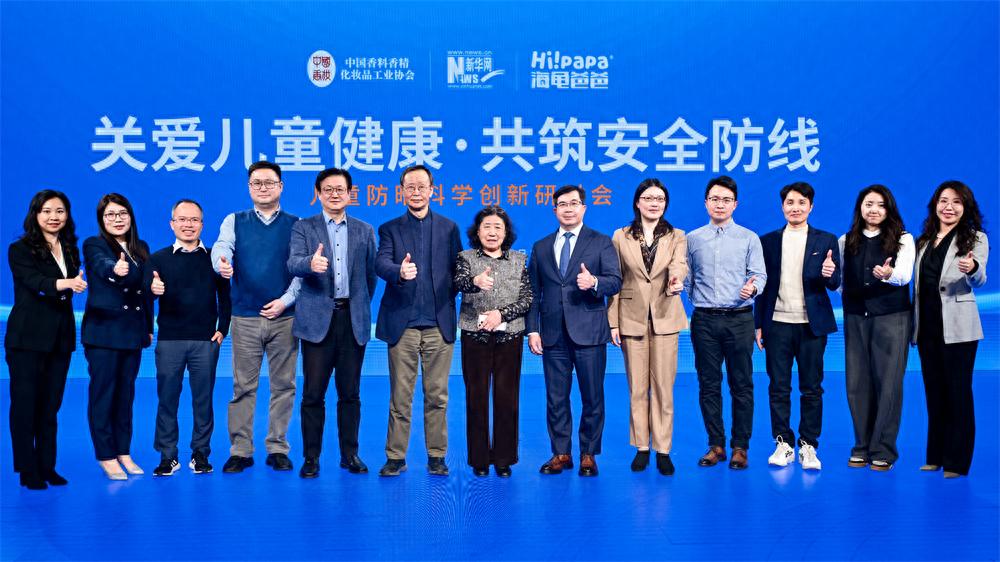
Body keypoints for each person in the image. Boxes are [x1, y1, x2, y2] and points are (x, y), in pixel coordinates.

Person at [211, 160, 301, 473]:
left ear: (281, 186)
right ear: (249, 187)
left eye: (269, 182)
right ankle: (240, 450)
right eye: (256, 183)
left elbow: (301, 270)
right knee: (242, 387)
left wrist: (285, 302)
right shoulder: (235, 220)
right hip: (245, 317)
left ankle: (277, 447)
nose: (263, 188)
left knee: (284, 386)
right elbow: (222, 247)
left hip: (285, 317)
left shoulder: (296, 224)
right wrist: (221, 263)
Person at [287, 168, 377, 478]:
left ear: (350, 194)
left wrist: (357, 306)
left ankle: (350, 455)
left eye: (340, 189)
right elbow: (293, 263)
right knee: (313, 394)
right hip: (316, 322)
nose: (334, 194)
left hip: (352, 320)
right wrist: (309, 264)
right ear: (318, 193)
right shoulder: (304, 227)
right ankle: (311, 458)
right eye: (328, 189)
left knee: (350, 393)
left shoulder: (365, 230)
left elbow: (369, 277)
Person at [527, 185, 622, 477]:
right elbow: (533, 293)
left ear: (583, 208)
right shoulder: (541, 247)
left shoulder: (600, 241)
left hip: (589, 332)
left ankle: (589, 454)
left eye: (574, 203)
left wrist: (594, 283)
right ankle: (561, 453)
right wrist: (532, 330)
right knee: (556, 397)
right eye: (562, 204)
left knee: (592, 396)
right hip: (552, 334)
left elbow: (615, 281)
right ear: (554, 209)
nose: (568, 209)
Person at [375, 164, 462, 477]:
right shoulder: (389, 228)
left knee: (437, 396)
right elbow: (381, 263)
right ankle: (396, 456)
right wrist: (399, 271)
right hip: (403, 325)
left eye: (421, 186)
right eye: (409, 187)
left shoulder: (449, 228)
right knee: (401, 397)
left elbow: (459, 270)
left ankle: (437, 455)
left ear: (432, 191)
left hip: (439, 324)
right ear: (402, 192)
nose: (415, 192)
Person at [754, 182, 840, 471]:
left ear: (811, 206)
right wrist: (758, 324)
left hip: (811, 326)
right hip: (777, 324)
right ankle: (783, 443)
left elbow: (835, 282)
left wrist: (829, 274)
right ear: (782, 207)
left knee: (811, 388)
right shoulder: (768, 241)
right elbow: (762, 287)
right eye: (790, 202)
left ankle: (808, 445)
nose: (795, 208)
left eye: (802, 203)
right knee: (778, 387)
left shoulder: (826, 240)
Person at [6, 190, 86, 489]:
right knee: (25, 405)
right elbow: (35, 282)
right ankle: (27, 469)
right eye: (47, 211)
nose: (54, 217)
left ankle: (47, 465)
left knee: (51, 406)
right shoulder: (20, 249)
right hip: (27, 338)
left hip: (60, 338)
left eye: (60, 211)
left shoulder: (70, 247)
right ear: (36, 214)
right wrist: (66, 283)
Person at [685, 175, 766, 470]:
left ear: (735, 204)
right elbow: (686, 277)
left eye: (726, 200)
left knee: (741, 384)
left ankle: (740, 447)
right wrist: (697, 298)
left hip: (739, 319)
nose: (720, 204)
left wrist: (752, 289)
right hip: (704, 319)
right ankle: (716, 445)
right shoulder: (692, 239)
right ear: (706, 203)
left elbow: (759, 275)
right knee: (708, 384)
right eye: (715, 199)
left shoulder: (749, 238)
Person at [607, 179, 687, 476]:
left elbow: (679, 265)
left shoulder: (677, 235)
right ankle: (641, 446)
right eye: (649, 198)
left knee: (664, 388)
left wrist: (677, 280)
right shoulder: (621, 236)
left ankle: (663, 449)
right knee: (637, 388)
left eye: (660, 199)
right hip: (631, 317)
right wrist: (613, 322)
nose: (655, 203)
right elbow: (615, 280)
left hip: (665, 315)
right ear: (637, 202)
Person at [149, 199, 231, 476]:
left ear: (202, 225)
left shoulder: (214, 258)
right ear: (172, 224)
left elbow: (225, 297)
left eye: (194, 220)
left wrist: (223, 329)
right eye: (182, 219)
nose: (188, 225)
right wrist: (152, 289)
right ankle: (167, 456)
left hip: (205, 341)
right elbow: (146, 295)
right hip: (169, 341)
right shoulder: (158, 258)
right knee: (167, 400)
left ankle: (200, 454)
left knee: (203, 400)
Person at [913, 180, 989, 478]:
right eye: (943, 201)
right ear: (935, 205)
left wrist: (972, 269)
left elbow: (979, 278)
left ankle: (957, 462)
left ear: (965, 207)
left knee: (958, 393)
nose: (949, 207)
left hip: (959, 328)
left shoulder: (975, 239)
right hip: (927, 328)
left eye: (957, 202)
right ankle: (935, 456)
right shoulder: (923, 241)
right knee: (934, 393)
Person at [838, 185, 914, 471]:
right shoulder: (846, 240)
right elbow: (841, 280)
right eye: (869, 204)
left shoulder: (903, 239)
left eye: (881, 205)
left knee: (888, 383)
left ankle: (883, 449)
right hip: (856, 317)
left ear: (889, 209)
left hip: (891, 317)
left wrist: (889, 273)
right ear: (860, 207)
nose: (874, 210)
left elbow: (904, 275)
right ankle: (861, 445)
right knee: (857, 383)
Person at [454, 205, 532, 478]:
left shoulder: (519, 260)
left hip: (509, 337)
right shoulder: (465, 258)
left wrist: (502, 314)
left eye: (498, 227)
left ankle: (503, 458)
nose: (492, 232)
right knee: (476, 398)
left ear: (506, 232)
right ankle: (479, 458)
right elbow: (459, 282)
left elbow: (527, 299)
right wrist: (475, 281)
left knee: (506, 398)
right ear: (477, 232)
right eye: (486, 226)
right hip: (475, 337)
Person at [82, 193, 153, 480]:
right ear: (102, 220)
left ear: (131, 216)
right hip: (103, 332)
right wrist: (115, 268)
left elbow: (145, 291)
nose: (117, 219)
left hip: (132, 332)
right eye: (110, 214)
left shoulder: (141, 247)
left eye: (122, 213)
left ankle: (123, 451)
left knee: (126, 396)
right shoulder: (94, 244)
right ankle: (106, 455)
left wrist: (148, 326)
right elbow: (101, 264)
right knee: (104, 395)